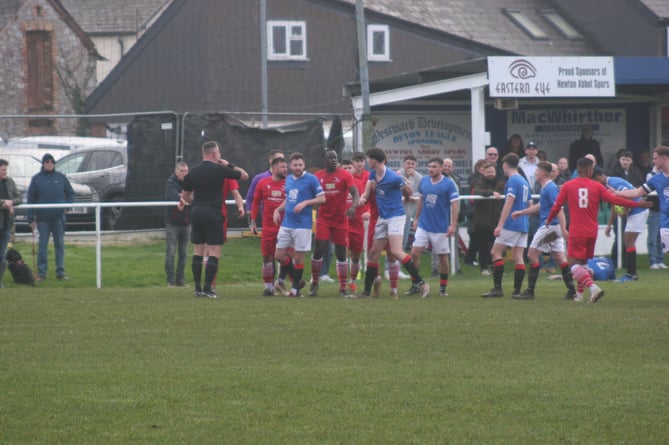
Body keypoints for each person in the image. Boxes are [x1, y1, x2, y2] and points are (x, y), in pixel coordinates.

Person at [546, 157, 650, 303]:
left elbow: (557, 206)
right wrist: (638, 204)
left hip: (577, 230)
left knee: (573, 265)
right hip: (592, 231)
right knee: (583, 264)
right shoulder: (597, 186)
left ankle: (594, 288)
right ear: (589, 169)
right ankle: (579, 295)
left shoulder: (568, 186)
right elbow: (615, 200)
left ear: (579, 169)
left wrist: (549, 219)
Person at [358, 148, 429, 298]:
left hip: (396, 216)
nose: (367, 161)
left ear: (374, 160)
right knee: (373, 254)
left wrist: (405, 190)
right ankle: (365, 293)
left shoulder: (393, 177)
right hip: (383, 218)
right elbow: (367, 190)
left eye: (368, 159)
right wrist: (363, 197)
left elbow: (408, 191)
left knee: (396, 252)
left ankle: (421, 283)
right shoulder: (373, 173)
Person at [180, 141, 248, 299]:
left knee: (198, 251)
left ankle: (197, 289)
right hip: (213, 211)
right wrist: (229, 165)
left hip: (196, 211)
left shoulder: (193, 172)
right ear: (214, 154)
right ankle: (209, 288)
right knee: (214, 251)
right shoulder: (220, 170)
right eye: (218, 152)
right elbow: (244, 175)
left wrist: (195, 204)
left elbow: (184, 196)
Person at [510, 161, 576, 300]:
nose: (535, 173)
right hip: (553, 227)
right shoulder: (546, 187)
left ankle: (530, 291)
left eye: (537, 170)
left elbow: (560, 209)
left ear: (544, 173)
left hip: (549, 227)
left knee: (532, 255)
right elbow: (541, 205)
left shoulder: (550, 188)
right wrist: (522, 212)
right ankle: (572, 291)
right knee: (560, 258)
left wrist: (563, 229)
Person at [273, 152, 325, 297]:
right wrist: (278, 209)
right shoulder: (288, 179)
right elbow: (288, 199)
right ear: (290, 166)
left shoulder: (311, 179)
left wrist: (306, 202)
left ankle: (295, 289)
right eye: (295, 165)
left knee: (299, 256)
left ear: (304, 165)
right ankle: (296, 279)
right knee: (279, 255)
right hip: (287, 223)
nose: (297, 167)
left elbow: (322, 198)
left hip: (303, 224)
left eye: (300, 165)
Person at [309, 149, 359, 298]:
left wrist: (353, 207)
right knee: (319, 250)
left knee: (341, 252)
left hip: (340, 220)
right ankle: (314, 283)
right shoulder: (318, 176)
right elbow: (312, 194)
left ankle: (342, 287)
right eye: (330, 158)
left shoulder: (345, 175)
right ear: (323, 160)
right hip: (324, 219)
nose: (333, 160)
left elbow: (355, 193)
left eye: (335, 158)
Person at [481, 153, 531, 298]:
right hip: (523, 223)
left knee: (495, 252)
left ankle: (497, 288)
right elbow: (529, 203)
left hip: (512, 223)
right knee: (518, 256)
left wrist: (500, 224)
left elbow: (509, 202)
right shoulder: (524, 181)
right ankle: (516, 291)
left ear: (505, 166)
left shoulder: (513, 181)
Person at [409, 157, 459, 297]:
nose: (431, 169)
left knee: (443, 258)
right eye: (429, 166)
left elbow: (455, 205)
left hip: (440, 227)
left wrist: (453, 225)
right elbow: (421, 199)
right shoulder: (424, 181)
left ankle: (442, 288)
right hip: (424, 224)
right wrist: (417, 218)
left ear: (441, 168)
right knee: (414, 252)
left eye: (434, 167)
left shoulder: (449, 184)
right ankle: (416, 284)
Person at [615, 146, 669, 269]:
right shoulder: (656, 179)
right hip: (665, 218)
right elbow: (637, 192)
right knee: (666, 247)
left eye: (655, 158)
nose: (653, 161)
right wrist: (616, 193)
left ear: (664, 158)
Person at [592, 169, 649, 282]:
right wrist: (609, 225)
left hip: (637, 211)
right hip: (635, 212)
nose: (595, 183)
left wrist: (626, 211)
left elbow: (629, 195)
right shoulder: (607, 186)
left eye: (595, 180)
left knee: (628, 241)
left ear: (599, 176)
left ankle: (631, 274)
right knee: (628, 241)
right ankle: (631, 273)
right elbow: (614, 203)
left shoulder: (614, 182)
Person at [27, 153, 75, 281]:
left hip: (58, 218)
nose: (49, 163)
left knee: (59, 245)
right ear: (43, 164)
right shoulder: (36, 179)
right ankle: (42, 273)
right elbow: (30, 199)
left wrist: (67, 206)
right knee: (42, 246)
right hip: (42, 219)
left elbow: (71, 194)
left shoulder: (61, 177)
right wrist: (30, 218)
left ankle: (60, 272)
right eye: (47, 161)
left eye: (51, 161)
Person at [251, 156, 288, 296]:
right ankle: (268, 288)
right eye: (282, 167)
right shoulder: (262, 183)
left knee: (284, 256)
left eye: (286, 167)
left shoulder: (290, 182)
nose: (285, 169)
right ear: (273, 168)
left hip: (286, 226)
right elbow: (255, 202)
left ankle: (283, 281)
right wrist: (253, 221)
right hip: (268, 226)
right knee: (267, 256)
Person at [470, 162, 505, 275]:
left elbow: (503, 191)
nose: (490, 174)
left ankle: (495, 267)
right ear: (483, 172)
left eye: (492, 172)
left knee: (495, 245)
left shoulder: (500, 182)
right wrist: (491, 192)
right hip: (482, 221)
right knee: (483, 246)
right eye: (488, 172)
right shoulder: (479, 182)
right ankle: (484, 267)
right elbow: (478, 191)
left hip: (495, 219)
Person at [341, 156, 369, 294]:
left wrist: (368, 212)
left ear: (353, 169)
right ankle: (342, 284)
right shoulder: (338, 183)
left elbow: (368, 198)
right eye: (344, 168)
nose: (346, 170)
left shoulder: (359, 183)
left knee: (356, 256)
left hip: (357, 223)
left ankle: (352, 281)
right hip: (342, 224)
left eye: (349, 168)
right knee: (343, 253)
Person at [245, 149, 285, 232]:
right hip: (267, 221)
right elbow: (250, 199)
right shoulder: (259, 179)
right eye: (278, 159)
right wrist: (251, 221)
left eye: (283, 159)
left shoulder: (289, 180)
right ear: (271, 161)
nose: (281, 162)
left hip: (286, 222)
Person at [164, 162, 190, 287]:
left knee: (184, 253)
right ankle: (170, 280)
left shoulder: (190, 182)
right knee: (171, 252)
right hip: (173, 222)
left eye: (186, 171)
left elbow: (193, 197)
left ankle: (180, 280)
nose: (184, 173)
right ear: (176, 171)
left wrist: (183, 197)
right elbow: (175, 198)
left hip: (186, 222)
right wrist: (184, 198)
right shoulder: (171, 183)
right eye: (181, 171)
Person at [0, 159, 22, 287]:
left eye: (5, 169)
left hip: (7, 225)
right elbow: (4, 203)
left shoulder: (10, 182)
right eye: (3, 169)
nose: (5, 172)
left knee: (2, 255)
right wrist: (4, 203)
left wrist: (12, 202)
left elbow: (19, 197)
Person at [396, 155, 422, 251]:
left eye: (412, 164)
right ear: (404, 164)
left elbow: (421, 193)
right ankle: (392, 263)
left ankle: (399, 262)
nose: (410, 166)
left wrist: (411, 196)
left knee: (404, 240)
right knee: (394, 240)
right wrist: (408, 195)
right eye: (408, 163)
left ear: (416, 165)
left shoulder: (419, 177)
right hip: (396, 213)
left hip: (409, 213)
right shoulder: (398, 174)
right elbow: (396, 191)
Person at [645, 162, 666, 269]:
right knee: (652, 237)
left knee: (661, 236)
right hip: (653, 210)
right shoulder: (650, 175)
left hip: (663, 210)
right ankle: (652, 261)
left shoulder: (665, 174)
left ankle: (660, 259)